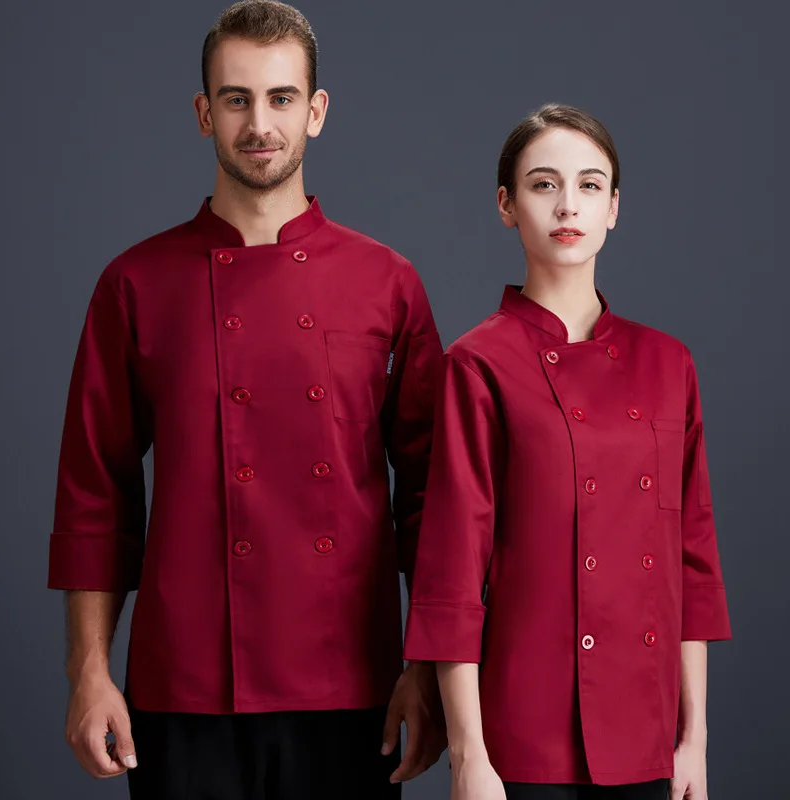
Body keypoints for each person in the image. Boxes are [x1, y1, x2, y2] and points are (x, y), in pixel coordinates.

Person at [48, 2, 446, 797]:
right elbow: (95, 495)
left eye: (280, 98)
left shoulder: (387, 282)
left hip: (351, 685)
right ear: (205, 114)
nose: (259, 124)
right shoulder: (135, 284)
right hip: (183, 687)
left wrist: (428, 670)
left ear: (316, 111)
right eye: (236, 99)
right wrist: (89, 672)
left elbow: (431, 503)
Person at [403, 103, 732, 800]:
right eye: (543, 184)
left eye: (589, 185)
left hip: (646, 736)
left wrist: (693, 742)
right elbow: (452, 574)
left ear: (613, 208)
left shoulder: (669, 364)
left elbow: (692, 562)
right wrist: (469, 755)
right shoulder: (477, 364)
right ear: (506, 205)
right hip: (522, 738)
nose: (566, 206)